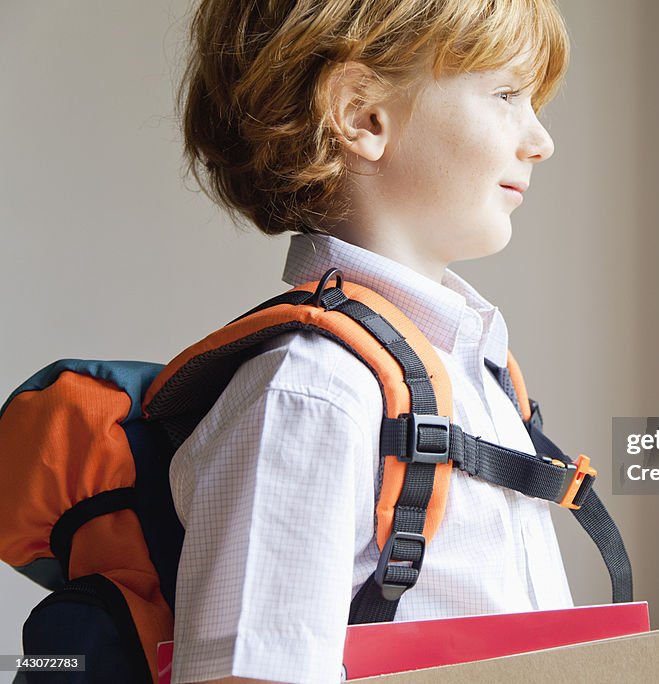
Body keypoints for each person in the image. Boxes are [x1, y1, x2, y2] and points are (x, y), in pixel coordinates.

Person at [169, 1, 572, 682]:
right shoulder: (313, 393)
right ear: (362, 114)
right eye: (506, 94)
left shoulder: (476, 371)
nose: (541, 140)